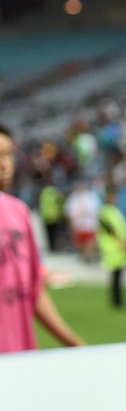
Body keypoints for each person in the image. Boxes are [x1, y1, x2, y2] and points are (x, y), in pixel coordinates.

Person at [0, 124, 85, 353]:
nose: (5, 164)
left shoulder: (19, 212)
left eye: (8, 154)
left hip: (22, 361)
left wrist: (76, 345)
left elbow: (33, 291)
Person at [98, 185, 126, 309]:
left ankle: (119, 300)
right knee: (115, 276)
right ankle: (117, 301)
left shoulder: (115, 211)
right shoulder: (105, 212)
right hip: (113, 248)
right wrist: (122, 242)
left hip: (119, 248)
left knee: (119, 276)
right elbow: (111, 230)